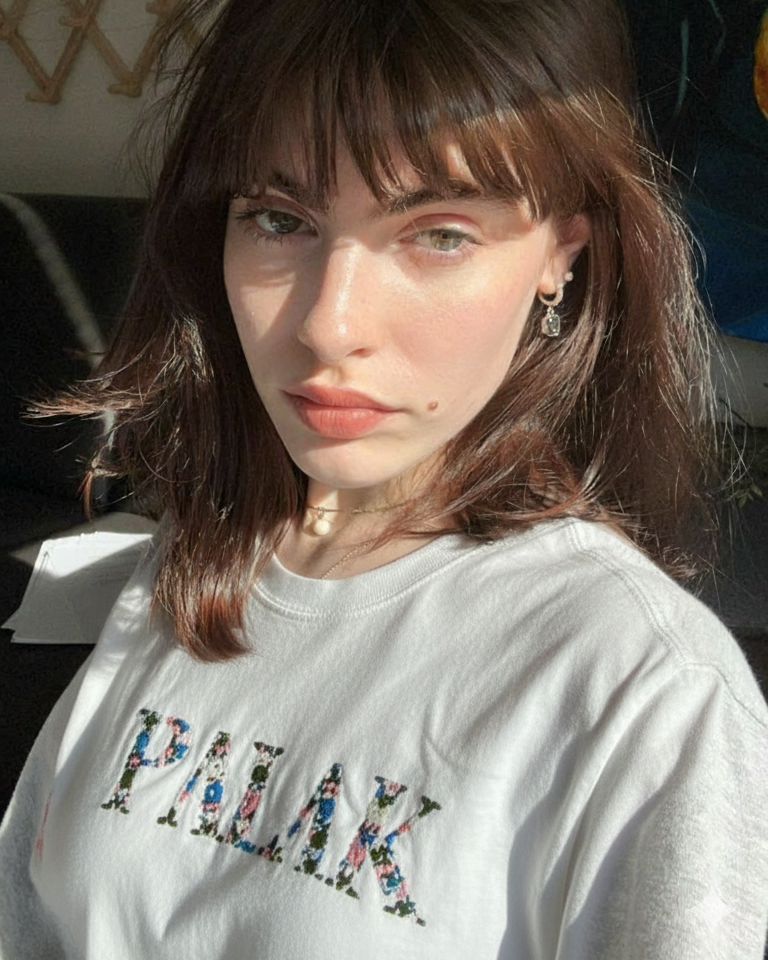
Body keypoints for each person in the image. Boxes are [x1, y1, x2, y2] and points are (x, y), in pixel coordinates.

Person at [1, 0, 767, 956]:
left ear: (560, 257)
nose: (329, 325)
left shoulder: (643, 689)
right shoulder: (192, 565)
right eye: (279, 219)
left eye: (439, 234)